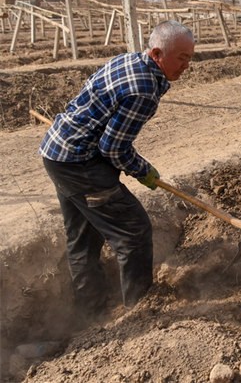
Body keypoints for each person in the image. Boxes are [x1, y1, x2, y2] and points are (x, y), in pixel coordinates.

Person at [39, 19, 195, 318]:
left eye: (190, 58)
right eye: (182, 58)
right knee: (133, 231)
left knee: (83, 238)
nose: (187, 66)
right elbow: (113, 149)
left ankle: (90, 313)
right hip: (78, 162)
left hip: (57, 151)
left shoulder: (129, 60)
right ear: (157, 54)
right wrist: (142, 170)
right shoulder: (144, 90)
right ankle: (139, 312)